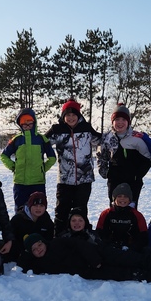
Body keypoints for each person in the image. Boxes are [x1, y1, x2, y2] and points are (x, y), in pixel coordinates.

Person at [17, 234, 151, 287]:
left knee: (138, 260)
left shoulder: (58, 243)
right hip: (92, 272)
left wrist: (94, 259)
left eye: (39, 244)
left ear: (43, 241)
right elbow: (22, 264)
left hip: (101, 254)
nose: (38, 249)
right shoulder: (39, 264)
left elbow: (81, 244)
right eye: (34, 250)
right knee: (134, 274)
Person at [44, 98, 102, 235]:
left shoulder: (86, 129)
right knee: (61, 211)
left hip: (84, 179)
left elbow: (102, 140)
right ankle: (58, 238)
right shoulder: (57, 130)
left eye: (73, 115)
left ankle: (80, 239)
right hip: (64, 179)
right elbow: (40, 143)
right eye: (67, 115)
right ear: (63, 116)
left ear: (79, 115)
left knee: (80, 211)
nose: (71, 118)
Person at [96, 103, 151, 205]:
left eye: (123, 120)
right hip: (114, 180)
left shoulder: (136, 138)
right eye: (117, 119)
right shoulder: (106, 137)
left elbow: (148, 158)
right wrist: (105, 173)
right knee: (114, 207)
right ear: (112, 122)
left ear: (128, 122)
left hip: (133, 182)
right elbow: (101, 156)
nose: (120, 123)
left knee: (131, 209)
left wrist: (137, 175)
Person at [0, 108, 58, 209]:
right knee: (21, 210)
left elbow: (52, 157)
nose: (27, 126)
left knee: (38, 209)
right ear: (20, 125)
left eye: (29, 123)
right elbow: (4, 156)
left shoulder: (41, 139)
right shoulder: (17, 140)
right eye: (24, 124)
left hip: (38, 183)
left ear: (34, 123)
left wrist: (43, 169)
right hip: (20, 183)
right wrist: (13, 167)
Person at [95, 183, 148, 252]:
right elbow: (99, 234)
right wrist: (109, 246)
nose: (122, 199)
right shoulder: (106, 214)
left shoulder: (137, 215)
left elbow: (143, 236)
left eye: (125, 196)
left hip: (131, 250)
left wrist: (133, 248)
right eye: (119, 196)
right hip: (110, 249)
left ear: (129, 200)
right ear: (114, 199)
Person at [7, 191, 55, 263]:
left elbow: (49, 238)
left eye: (41, 206)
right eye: (35, 205)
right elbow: (10, 236)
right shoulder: (18, 219)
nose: (38, 208)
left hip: (40, 253)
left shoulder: (47, 221)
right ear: (29, 206)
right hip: (20, 252)